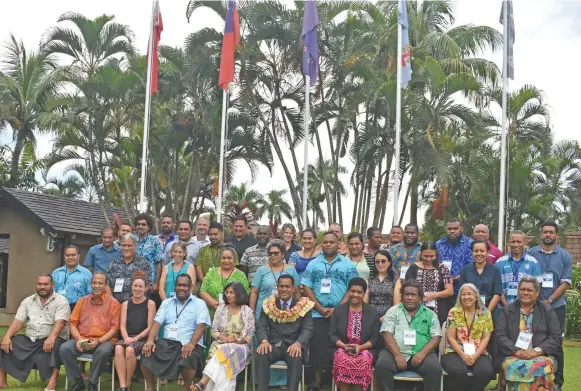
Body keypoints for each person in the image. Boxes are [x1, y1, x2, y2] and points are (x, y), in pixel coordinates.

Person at [301, 232, 358, 391]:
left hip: (340, 313)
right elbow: (306, 286)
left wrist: (338, 308)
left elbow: (352, 288)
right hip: (317, 313)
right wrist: (319, 307)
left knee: (340, 347)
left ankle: (341, 381)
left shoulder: (347, 264)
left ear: (338, 244)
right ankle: (317, 382)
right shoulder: (313, 264)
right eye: (325, 242)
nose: (328, 245)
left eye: (331, 242)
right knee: (317, 347)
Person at [141, 274, 211, 391]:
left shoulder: (199, 303)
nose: (182, 288)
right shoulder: (166, 303)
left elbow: (201, 325)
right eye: (179, 285)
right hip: (167, 343)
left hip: (188, 343)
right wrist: (150, 340)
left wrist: (191, 344)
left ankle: (186, 387)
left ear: (191, 287)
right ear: (175, 287)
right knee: (146, 351)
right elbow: (157, 323)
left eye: (185, 285)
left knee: (189, 356)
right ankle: (150, 387)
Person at [0, 274, 69, 390]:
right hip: (31, 339)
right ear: (36, 285)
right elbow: (18, 321)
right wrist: (7, 336)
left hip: (51, 338)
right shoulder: (28, 301)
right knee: (7, 343)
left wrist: (51, 337)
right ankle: (2, 381)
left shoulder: (61, 301)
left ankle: (52, 382)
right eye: (39, 284)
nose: (42, 287)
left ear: (52, 285)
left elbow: (60, 322)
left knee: (57, 344)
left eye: (45, 284)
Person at [496, 276, 562, 391]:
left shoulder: (547, 310)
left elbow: (555, 337)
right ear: (518, 291)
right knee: (514, 366)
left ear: (537, 293)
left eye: (529, 290)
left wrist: (536, 351)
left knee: (541, 366)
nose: (525, 293)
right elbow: (500, 335)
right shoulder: (507, 310)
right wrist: (516, 351)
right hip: (513, 354)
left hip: (541, 354)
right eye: (522, 289)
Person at [249, 240, 300, 388]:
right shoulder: (261, 270)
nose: (272, 256)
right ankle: (263, 381)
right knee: (264, 344)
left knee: (284, 343)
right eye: (270, 254)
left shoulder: (290, 270)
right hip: (264, 311)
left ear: (283, 254)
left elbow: (296, 292)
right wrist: (251, 312)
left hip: (287, 312)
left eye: (276, 253)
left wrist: (297, 311)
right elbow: (254, 292)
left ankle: (282, 381)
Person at [375, 280, 442, 391]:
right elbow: (386, 333)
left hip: (422, 354)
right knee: (382, 366)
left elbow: (436, 337)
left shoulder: (430, 314)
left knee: (434, 369)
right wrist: (397, 355)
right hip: (395, 352)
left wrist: (422, 353)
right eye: (407, 294)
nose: (410, 297)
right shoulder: (393, 311)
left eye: (413, 294)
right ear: (402, 296)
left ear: (420, 297)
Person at [527, 221, 571, 390]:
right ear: (541, 234)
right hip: (533, 306)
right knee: (531, 341)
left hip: (556, 306)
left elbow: (565, 283)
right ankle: (533, 378)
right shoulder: (531, 253)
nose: (547, 235)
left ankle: (557, 382)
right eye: (545, 232)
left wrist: (549, 301)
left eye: (551, 232)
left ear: (556, 235)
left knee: (556, 344)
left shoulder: (565, 256)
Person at [60, 273, 121, 391]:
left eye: (100, 283)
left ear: (105, 285)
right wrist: (79, 339)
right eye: (94, 283)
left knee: (103, 351)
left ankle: (92, 383)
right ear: (90, 284)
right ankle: (78, 382)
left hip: (104, 341)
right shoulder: (82, 301)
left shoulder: (114, 303)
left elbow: (115, 328)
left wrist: (98, 341)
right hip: (83, 339)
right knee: (64, 348)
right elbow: (72, 323)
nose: (97, 286)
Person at [191, 282, 254, 391]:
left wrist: (236, 341)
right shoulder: (221, 309)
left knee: (224, 350)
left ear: (239, 294)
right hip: (221, 343)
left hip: (240, 346)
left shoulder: (247, 311)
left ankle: (203, 382)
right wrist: (226, 339)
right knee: (223, 357)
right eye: (227, 292)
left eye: (232, 292)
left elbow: (249, 335)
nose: (228, 295)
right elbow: (214, 330)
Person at [255, 275, 314, 391]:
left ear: (293, 288)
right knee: (261, 354)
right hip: (273, 345)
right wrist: (264, 341)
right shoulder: (269, 304)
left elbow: (308, 329)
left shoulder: (303, 306)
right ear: (277, 287)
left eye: (287, 286)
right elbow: (261, 325)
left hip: (293, 345)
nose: (284, 289)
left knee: (296, 356)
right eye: (281, 286)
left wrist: (298, 343)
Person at [441, 283, 494, 391]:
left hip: (478, 352)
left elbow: (486, 337)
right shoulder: (454, 312)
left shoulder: (485, 313)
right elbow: (450, 338)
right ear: (459, 297)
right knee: (458, 371)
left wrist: (475, 355)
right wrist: (463, 355)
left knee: (486, 372)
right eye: (463, 294)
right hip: (455, 351)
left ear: (476, 296)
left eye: (469, 294)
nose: (466, 297)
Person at [330, 277, 380, 391]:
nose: (355, 295)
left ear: (364, 293)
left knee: (363, 360)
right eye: (353, 291)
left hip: (364, 349)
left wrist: (360, 348)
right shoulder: (339, 310)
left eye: (359, 292)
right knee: (342, 358)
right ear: (348, 291)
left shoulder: (372, 312)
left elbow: (375, 338)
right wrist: (344, 346)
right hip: (342, 347)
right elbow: (332, 334)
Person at [114, 272, 156, 391]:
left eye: (140, 286)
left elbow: (150, 327)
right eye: (135, 286)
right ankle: (122, 386)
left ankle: (128, 384)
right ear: (131, 287)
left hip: (142, 339)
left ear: (145, 288)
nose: (137, 289)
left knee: (129, 350)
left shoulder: (150, 304)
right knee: (117, 348)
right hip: (127, 337)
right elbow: (122, 325)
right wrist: (126, 338)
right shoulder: (126, 304)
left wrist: (136, 338)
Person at [401, 241, 454, 325]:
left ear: (436, 254)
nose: (428, 259)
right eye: (426, 256)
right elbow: (407, 289)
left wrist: (434, 295)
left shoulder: (443, 268)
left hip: (439, 309)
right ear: (421, 254)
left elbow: (450, 291)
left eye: (431, 256)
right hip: (416, 308)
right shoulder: (413, 267)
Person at [496, 230, 542, 305]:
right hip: (503, 309)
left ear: (524, 243)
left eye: (519, 242)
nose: (516, 244)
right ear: (509, 242)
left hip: (526, 308)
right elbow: (497, 287)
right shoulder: (499, 262)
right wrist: (507, 307)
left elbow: (537, 287)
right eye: (513, 242)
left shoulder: (533, 262)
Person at [200, 247, 249, 316]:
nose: (226, 261)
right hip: (212, 312)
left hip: (234, 314)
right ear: (220, 259)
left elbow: (245, 294)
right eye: (223, 258)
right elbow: (203, 291)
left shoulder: (241, 275)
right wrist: (216, 305)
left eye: (229, 258)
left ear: (234, 260)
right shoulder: (211, 273)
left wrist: (229, 308)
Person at [459, 240, 503, 316]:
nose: (479, 254)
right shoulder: (465, 270)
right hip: (469, 312)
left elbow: (497, 294)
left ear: (488, 252)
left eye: (482, 251)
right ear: (472, 252)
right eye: (475, 251)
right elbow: (462, 293)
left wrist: (486, 313)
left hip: (491, 312)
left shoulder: (495, 270)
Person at [105, 233, 152, 303]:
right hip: (115, 304)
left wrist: (131, 302)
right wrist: (113, 302)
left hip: (136, 304)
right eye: (124, 245)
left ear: (136, 246)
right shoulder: (113, 263)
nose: (126, 248)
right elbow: (106, 284)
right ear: (120, 246)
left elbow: (148, 286)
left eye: (129, 245)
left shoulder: (144, 264)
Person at [435, 218, 474, 295]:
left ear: (461, 229)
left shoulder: (470, 244)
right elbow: (433, 264)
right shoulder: (438, 244)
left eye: (455, 228)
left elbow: (472, 267)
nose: (452, 231)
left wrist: (452, 280)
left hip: (463, 290)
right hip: (441, 290)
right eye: (449, 229)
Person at [134, 213, 163, 303]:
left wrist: (156, 283)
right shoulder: (132, 240)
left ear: (149, 227)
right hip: (134, 281)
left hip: (150, 282)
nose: (140, 226)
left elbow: (158, 262)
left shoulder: (154, 241)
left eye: (143, 224)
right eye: (138, 224)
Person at [53, 245, 92, 311]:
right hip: (58, 308)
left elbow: (90, 294)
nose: (70, 257)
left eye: (73, 255)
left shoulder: (86, 273)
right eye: (67, 255)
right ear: (64, 257)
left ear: (78, 256)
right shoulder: (56, 272)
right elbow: (51, 292)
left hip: (78, 308)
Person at [364, 250, 396, 319]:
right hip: (371, 317)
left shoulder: (395, 281)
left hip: (389, 317)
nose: (380, 264)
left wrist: (384, 318)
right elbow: (364, 303)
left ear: (389, 263)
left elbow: (396, 305)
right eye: (377, 262)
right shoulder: (369, 280)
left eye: (383, 261)